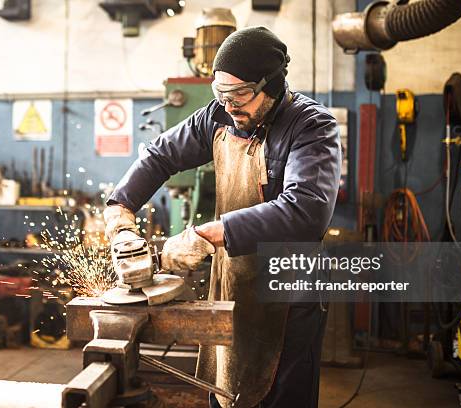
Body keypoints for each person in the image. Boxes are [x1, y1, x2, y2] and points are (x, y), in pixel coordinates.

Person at [104, 26, 341, 408]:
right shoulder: (220, 116)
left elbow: (306, 210)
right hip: (232, 283)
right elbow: (160, 155)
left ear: (273, 85)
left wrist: (206, 235)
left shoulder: (311, 126)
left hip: (288, 296)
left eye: (240, 94)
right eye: (221, 93)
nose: (229, 105)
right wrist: (120, 207)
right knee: (227, 394)